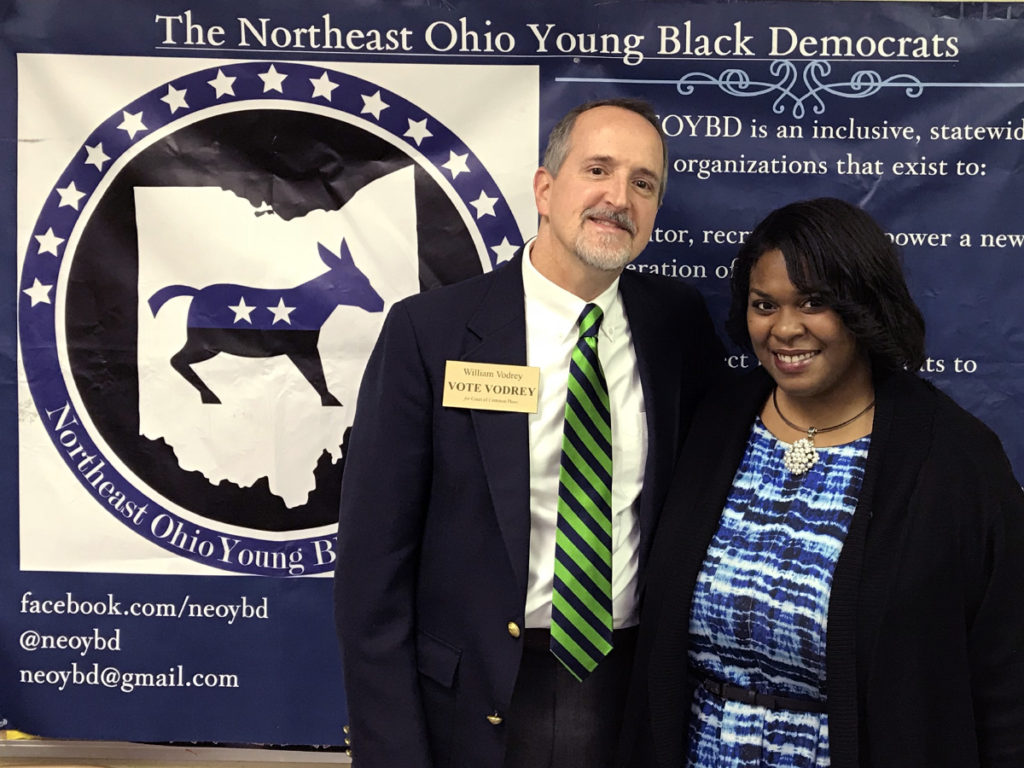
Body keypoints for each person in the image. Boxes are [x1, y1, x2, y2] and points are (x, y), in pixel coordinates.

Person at [334, 98, 725, 768]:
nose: (617, 197)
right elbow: (373, 573)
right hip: (473, 702)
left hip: (627, 693)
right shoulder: (430, 334)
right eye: (597, 169)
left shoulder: (677, 326)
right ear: (545, 189)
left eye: (643, 182)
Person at [622, 197, 1024, 768]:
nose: (785, 328)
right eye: (765, 305)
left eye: (814, 302)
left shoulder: (954, 460)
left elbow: (1005, 674)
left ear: (863, 307)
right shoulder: (713, 425)